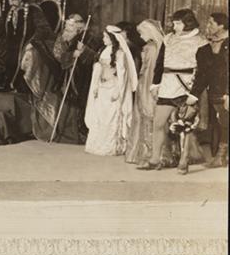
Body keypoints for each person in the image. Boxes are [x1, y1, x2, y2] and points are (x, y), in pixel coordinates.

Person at [138, 9, 207, 171]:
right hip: (167, 86)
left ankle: (184, 160)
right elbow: (159, 63)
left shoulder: (201, 41)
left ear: (188, 23)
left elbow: (204, 71)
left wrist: (194, 94)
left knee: (186, 126)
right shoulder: (168, 39)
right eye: (174, 23)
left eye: (178, 23)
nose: (174, 27)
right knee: (158, 123)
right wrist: (155, 84)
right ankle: (155, 159)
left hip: (187, 86)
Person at [26, 14, 96, 144]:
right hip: (62, 77)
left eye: (71, 27)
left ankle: (74, 132)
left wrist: (83, 51)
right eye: (66, 26)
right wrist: (72, 55)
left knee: (74, 107)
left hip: (80, 79)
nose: (67, 30)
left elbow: (94, 57)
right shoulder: (61, 38)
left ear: (79, 28)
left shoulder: (88, 38)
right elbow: (58, 55)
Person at [84, 25, 138, 156]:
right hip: (102, 88)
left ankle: (111, 146)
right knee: (100, 116)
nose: (103, 39)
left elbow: (122, 75)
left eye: (106, 37)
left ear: (113, 38)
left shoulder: (120, 53)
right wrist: (96, 86)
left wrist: (118, 91)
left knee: (110, 117)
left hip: (113, 88)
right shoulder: (103, 51)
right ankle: (97, 144)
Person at [186, 12, 228, 168]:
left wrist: (228, 94)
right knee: (221, 122)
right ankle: (220, 157)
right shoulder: (204, 50)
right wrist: (193, 95)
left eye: (211, 23)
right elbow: (201, 76)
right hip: (215, 93)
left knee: (225, 122)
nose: (207, 26)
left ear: (221, 25)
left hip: (225, 92)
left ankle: (221, 157)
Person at [125, 19, 165, 165]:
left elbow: (150, 71)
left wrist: (145, 88)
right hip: (145, 82)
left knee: (146, 115)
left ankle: (147, 154)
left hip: (147, 84)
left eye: (142, 32)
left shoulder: (151, 48)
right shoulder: (152, 46)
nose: (141, 36)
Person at [3, 0, 56, 92]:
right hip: (13, 44)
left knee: (27, 55)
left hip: (32, 42)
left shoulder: (33, 10)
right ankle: (8, 84)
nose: (12, 2)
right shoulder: (10, 12)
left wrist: (32, 42)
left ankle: (21, 86)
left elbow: (43, 29)